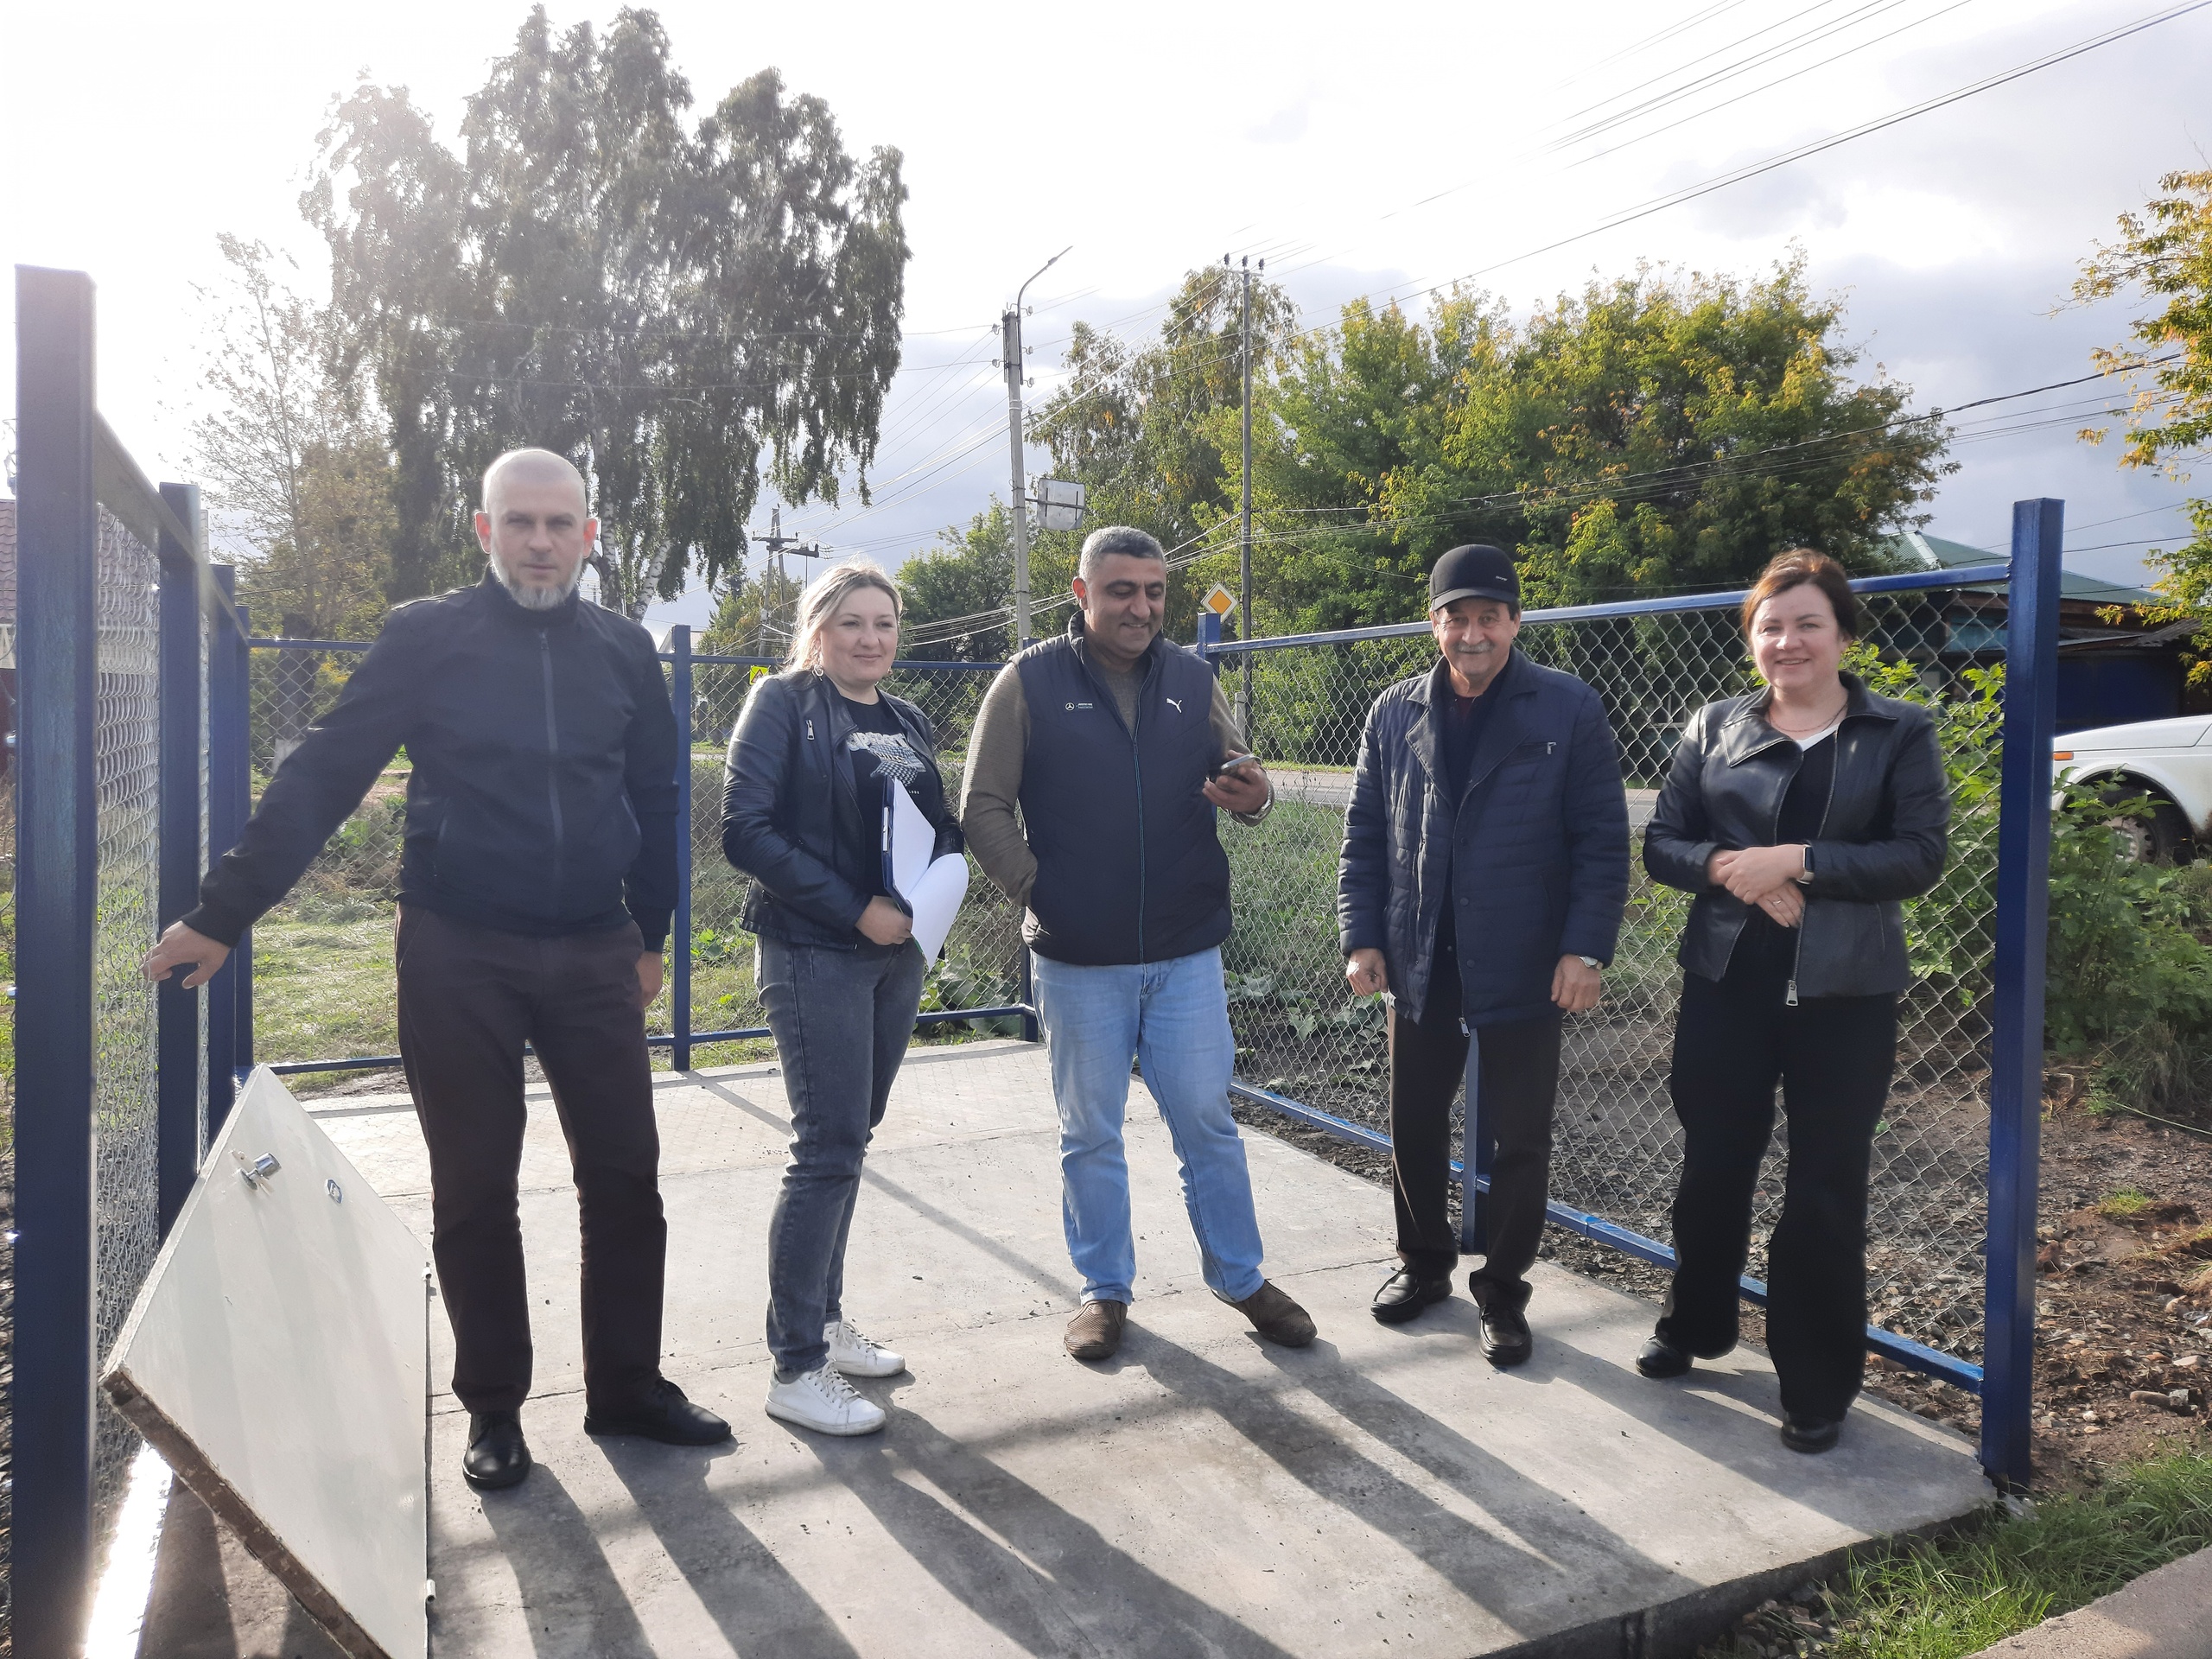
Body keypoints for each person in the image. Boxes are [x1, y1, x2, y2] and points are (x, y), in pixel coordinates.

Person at [140, 448, 729, 1493]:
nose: (540, 541)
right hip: (460, 945)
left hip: (595, 943)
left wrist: (652, 935)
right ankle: (494, 1407)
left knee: (627, 1179)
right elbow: (325, 770)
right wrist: (224, 912)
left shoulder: (626, 650)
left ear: (590, 535)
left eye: (560, 523)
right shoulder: (427, 637)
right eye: (520, 522)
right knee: (474, 1184)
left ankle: (627, 1390)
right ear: (483, 528)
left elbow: (659, 794)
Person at [960, 525, 1316, 1363]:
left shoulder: (1193, 680)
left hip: (1185, 950)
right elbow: (981, 806)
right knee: (1091, 1132)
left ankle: (1239, 1277)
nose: (1141, 607)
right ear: (1080, 594)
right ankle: (1103, 1292)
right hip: (1078, 960)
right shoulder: (1028, 683)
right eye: (1121, 590)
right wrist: (1043, 891)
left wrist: (1255, 798)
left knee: (1207, 1122)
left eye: (1154, 591)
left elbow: (1243, 775)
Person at [1640, 549, 1949, 1454]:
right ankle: (1695, 1324)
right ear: (1752, 642)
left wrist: (1800, 863)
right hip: (1726, 983)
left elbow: (1919, 855)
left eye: (1808, 623)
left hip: (1845, 996)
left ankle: (1814, 1383)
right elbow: (1664, 843)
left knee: (1822, 1190)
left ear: (1844, 634)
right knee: (1712, 1166)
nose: (1788, 641)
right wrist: (1735, 870)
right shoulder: (1714, 727)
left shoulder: (1898, 731)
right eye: (1770, 627)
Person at [1338, 544, 1629, 1365]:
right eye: (1455, 617)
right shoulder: (1395, 712)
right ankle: (1423, 1265)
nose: (1473, 634)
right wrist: (1363, 936)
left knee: (1520, 1138)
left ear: (1515, 621)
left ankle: (1503, 1291)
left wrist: (1585, 950)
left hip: (1528, 958)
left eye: (1488, 617)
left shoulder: (1566, 709)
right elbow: (1364, 835)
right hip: (1420, 953)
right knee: (1414, 1124)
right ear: (1434, 624)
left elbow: (1602, 841)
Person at [721, 559, 962, 1437]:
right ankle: (795, 1365)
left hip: (895, 955)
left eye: (885, 623)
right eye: (852, 621)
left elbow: (931, 822)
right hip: (816, 949)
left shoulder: (905, 718)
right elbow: (744, 829)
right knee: (823, 1147)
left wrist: (943, 872)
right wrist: (853, 907)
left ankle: (823, 1319)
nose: (870, 638)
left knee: (851, 1140)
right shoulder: (782, 703)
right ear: (818, 629)